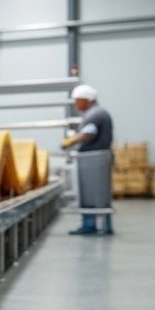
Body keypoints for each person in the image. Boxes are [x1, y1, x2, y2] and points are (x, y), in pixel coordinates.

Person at [61, 84, 114, 236]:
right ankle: (103, 224)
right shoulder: (97, 113)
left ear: (86, 99)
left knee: (92, 194)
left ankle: (91, 224)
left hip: (94, 161)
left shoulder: (95, 114)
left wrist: (69, 141)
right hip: (95, 160)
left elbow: (87, 134)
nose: (75, 104)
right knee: (100, 194)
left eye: (77, 101)